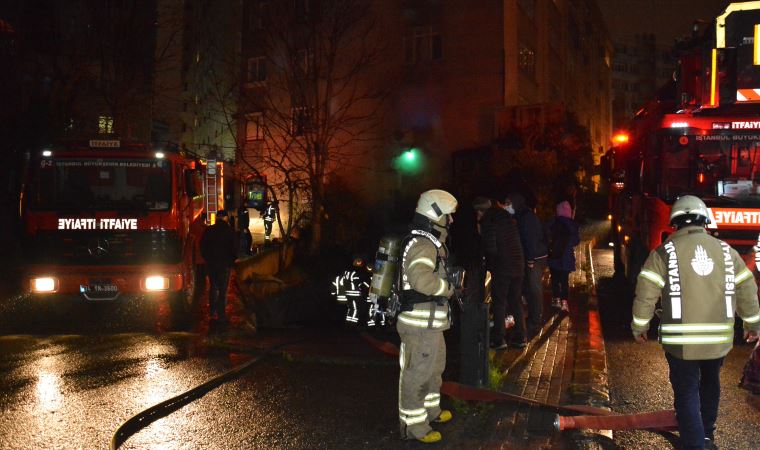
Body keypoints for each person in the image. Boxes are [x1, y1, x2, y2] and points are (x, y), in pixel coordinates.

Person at [631, 195, 760, 450]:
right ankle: (706, 436)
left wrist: (640, 325)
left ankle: (694, 445)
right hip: (718, 342)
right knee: (710, 383)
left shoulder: (664, 252)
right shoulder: (727, 252)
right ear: (704, 221)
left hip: (681, 343)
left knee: (687, 391)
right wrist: (752, 325)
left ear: (675, 223)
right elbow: (746, 287)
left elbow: (646, 290)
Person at [397, 189, 457, 444]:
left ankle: (431, 411)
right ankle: (415, 427)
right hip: (420, 326)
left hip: (432, 324)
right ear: (434, 214)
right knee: (417, 374)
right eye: (447, 216)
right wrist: (447, 288)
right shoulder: (422, 244)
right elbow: (421, 279)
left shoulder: (431, 243)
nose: (450, 221)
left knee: (434, 370)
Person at [480, 192, 526, 349]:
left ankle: (499, 339)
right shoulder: (506, 217)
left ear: (480, 212)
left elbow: (491, 247)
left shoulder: (488, 219)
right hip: (518, 263)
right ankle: (521, 337)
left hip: (503, 265)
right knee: (515, 300)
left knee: (499, 302)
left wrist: (490, 266)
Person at [508, 192, 548, 338]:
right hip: (533, 256)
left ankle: (535, 321)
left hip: (536, 257)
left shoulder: (527, 217)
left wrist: (530, 260)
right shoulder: (521, 215)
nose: (508, 206)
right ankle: (532, 318)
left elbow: (530, 239)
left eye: (509, 203)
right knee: (530, 288)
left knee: (534, 289)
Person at [200, 209, 237, 325]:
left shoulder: (209, 230)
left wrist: (208, 259)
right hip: (225, 265)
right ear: (226, 218)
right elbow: (235, 248)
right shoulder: (230, 231)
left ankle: (212, 312)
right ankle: (222, 315)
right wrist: (232, 260)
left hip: (212, 264)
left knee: (213, 287)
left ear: (217, 218)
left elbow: (202, 246)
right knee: (223, 290)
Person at [546, 200, 580, 312]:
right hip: (566, 258)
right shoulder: (572, 225)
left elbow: (546, 236)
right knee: (564, 281)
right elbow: (576, 241)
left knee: (555, 279)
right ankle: (564, 302)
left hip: (554, 257)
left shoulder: (552, 222)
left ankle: (556, 299)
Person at [331, 256, 375, 326]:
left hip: (347, 295)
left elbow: (335, 285)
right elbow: (360, 283)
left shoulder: (345, 274)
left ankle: (348, 323)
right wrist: (367, 287)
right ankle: (352, 324)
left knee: (351, 309)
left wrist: (333, 294)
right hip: (355, 295)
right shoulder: (355, 274)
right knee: (355, 309)